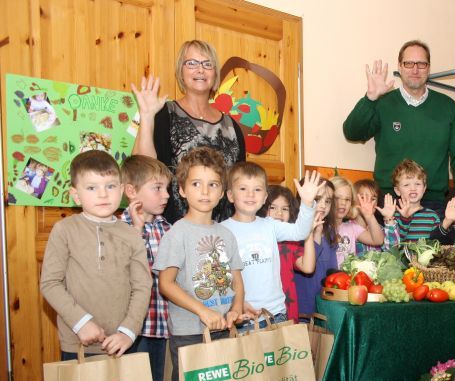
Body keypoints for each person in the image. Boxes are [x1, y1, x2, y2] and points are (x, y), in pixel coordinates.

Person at [152, 147, 244, 381]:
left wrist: (236, 306)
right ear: (182, 189)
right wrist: (201, 311)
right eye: (197, 184)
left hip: (223, 330)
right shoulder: (177, 233)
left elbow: (236, 279)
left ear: (222, 192)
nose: (205, 192)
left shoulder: (227, 234)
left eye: (213, 185)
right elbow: (166, 283)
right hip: (190, 332)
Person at [40, 150, 150, 360]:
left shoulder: (132, 234)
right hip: (77, 344)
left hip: (123, 343)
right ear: (75, 194)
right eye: (92, 188)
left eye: (110, 186)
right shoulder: (64, 230)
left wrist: (128, 331)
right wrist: (81, 322)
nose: (103, 194)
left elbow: (142, 286)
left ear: (120, 190)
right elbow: (50, 283)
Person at [343, 39, 455, 212]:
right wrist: (370, 98)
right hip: (388, 203)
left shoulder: (447, 106)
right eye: (409, 63)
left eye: (421, 64)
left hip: (434, 204)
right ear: (400, 66)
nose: (415, 69)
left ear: (429, 67)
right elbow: (352, 133)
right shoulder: (382, 103)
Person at [132, 40, 246, 223]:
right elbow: (143, 171)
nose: (200, 70)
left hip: (223, 233)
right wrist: (146, 116)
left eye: (207, 64)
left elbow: (242, 184)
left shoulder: (232, 127)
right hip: (173, 229)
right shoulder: (163, 114)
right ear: (180, 71)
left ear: (215, 73)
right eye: (192, 63)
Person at [221, 163, 320, 327]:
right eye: (243, 188)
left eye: (257, 189)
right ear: (231, 195)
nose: (251, 194)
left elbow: (301, 232)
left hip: (277, 314)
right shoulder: (222, 231)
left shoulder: (270, 225)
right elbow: (220, 278)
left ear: (265, 197)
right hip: (243, 316)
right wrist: (237, 304)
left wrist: (307, 203)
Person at [119, 155, 172, 381]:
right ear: (131, 191)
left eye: (167, 189)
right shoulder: (121, 228)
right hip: (136, 328)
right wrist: (138, 230)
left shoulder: (168, 228)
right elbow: (127, 270)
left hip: (164, 326)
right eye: (157, 188)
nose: (166, 196)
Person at [266, 185, 322, 322]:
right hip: (259, 311)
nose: (279, 213)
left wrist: (308, 233)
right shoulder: (256, 238)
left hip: (286, 309)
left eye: (285, 209)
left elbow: (308, 267)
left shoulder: (289, 242)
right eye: (272, 207)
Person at [294, 179, 338, 316]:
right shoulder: (295, 231)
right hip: (305, 308)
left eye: (328, 201)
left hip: (327, 305)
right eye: (317, 199)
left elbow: (332, 269)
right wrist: (315, 234)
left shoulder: (330, 231)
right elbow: (307, 268)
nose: (323, 205)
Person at [329, 176, 391, 265]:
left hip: (346, 278)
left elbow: (378, 240)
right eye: (337, 198)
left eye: (347, 199)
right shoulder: (321, 228)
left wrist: (369, 216)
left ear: (352, 203)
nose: (342, 203)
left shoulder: (352, 228)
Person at [392, 159, 440, 242]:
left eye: (417, 184)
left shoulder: (433, 216)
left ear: (424, 188)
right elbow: (394, 243)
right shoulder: (393, 216)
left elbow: (437, 243)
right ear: (397, 191)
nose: (413, 188)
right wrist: (404, 219)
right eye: (406, 185)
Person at [353, 179, 400, 254]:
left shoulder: (380, 228)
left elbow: (392, 252)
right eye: (363, 197)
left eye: (373, 199)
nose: (368, 202)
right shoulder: (349, 227)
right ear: (352, 201)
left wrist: (389, 218)